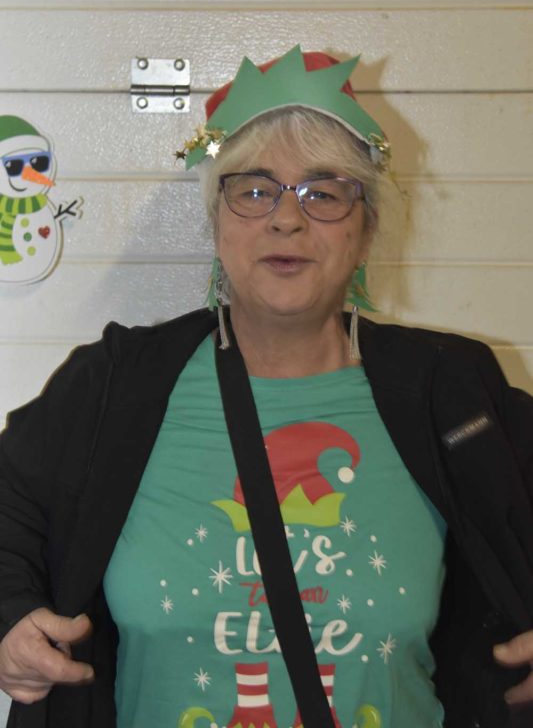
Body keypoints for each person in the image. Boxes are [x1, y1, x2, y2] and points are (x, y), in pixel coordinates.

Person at [0, 45, 533, 728]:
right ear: (216, 223)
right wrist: (10, 614)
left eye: (323, 193)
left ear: (365, 230)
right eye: (254, 191)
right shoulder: (118, 385)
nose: (286, 219)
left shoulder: (448, 390)